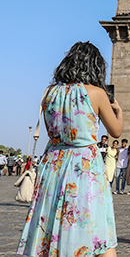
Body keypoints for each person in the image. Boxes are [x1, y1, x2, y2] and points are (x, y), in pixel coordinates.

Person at [17, 41, 123, 257]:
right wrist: (118, 110)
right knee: (94, 223)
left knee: (51, 221)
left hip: (53, 163)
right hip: (83, 167)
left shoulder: (49, 93)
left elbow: (51, 131)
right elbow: (116, 131)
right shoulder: (97, 93)